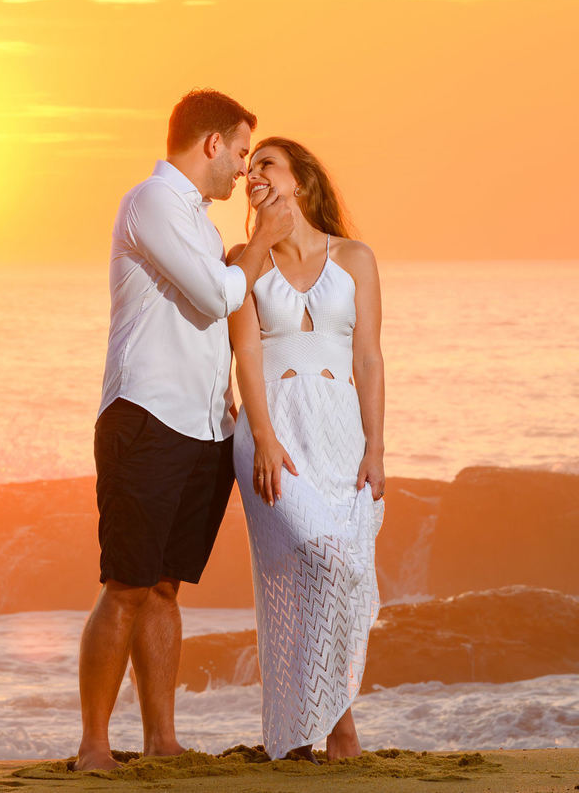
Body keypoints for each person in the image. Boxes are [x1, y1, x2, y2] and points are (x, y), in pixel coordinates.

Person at [75, 89, 293, 772]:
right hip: (146, 415)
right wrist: (259, 244)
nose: (243, 169)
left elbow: (221, 307)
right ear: (210, 144)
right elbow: (217, 296)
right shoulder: (151, 202)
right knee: (127, 584)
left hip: (202, 425)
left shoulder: (197, 220)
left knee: (166, 586)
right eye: (239, 151)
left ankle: (161, 741)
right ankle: (92, 746)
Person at [226, 137, 385, 762]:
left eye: (267, 163)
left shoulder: (356, 258)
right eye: (250, 166)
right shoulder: (246, 260)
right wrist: (263, 438)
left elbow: (368, 357)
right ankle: (336, 727)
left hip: (341, 431)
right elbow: (247, 353)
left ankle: (299, 732)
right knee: (317, 564)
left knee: (338, 571)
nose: (253, 173)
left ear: (302, 181)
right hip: (275, 430)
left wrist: (376, 447)